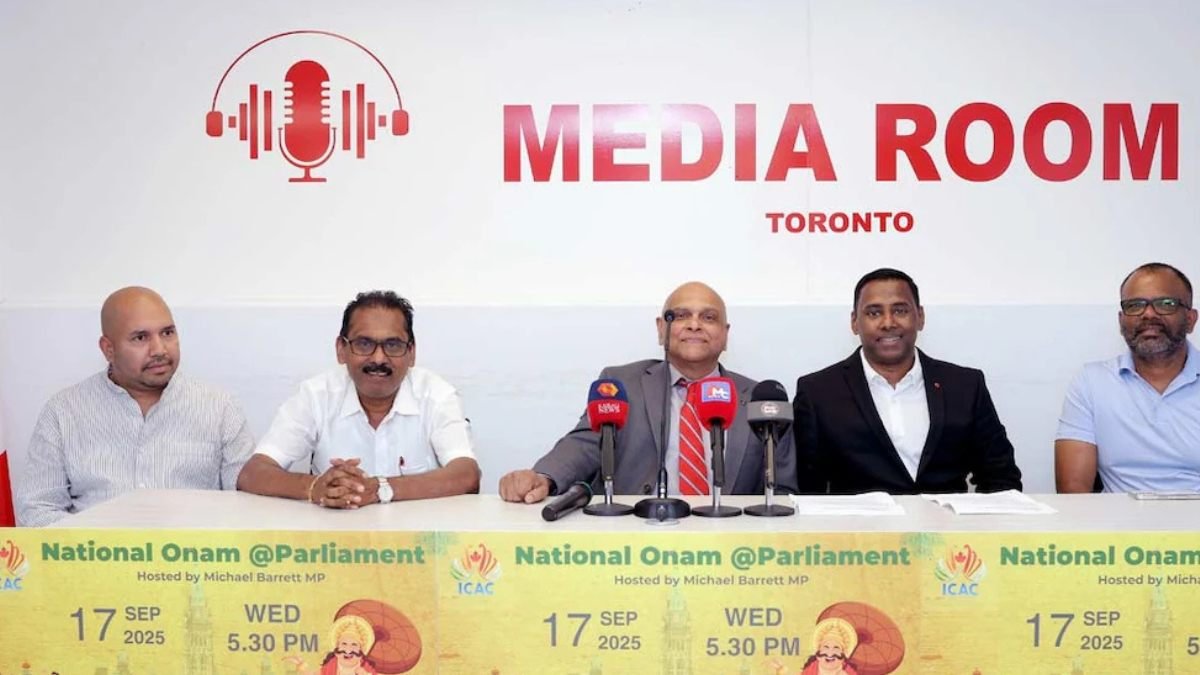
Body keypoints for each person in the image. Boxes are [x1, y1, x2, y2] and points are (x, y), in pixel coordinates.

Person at [498, 281, 796, 503]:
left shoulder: (760, 398)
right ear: (660, 329)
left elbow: (783, 490)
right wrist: (545, 477)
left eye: (708, 317)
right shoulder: (621, 382)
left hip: (731, 545)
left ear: (726, 334)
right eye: (680, 316)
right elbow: (586, 443)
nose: (694, 325)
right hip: (636, 537)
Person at [16, 287, 254, 526]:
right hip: (95, 559)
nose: (159, 349)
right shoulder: (63, 412)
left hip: (192, 560)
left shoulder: (220, 408)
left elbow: (248, 506)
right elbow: (38, 509)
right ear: (108, 349)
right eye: (141, 338)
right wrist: (107, 551)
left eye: (167, 333)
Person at [237, 291, 480, 508]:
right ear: (341, 350)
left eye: (393, 345)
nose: (378, 358)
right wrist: (315, 487)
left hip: (419, 546)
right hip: (332, 544)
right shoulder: (316, 395)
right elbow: (253, 473)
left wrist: (381, 488)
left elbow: (466, 475)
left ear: (412, 352)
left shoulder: (436, 395)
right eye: (364, 344)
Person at [792, 268, 1022, 494]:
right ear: (854, 322)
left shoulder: (965, 386)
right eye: (874, 313)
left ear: (920, 317)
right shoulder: (817, 393)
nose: (888, 322)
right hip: (860, 531)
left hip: (946, 529)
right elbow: (808, 492)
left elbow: (1002, 478)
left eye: (900, 311)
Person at [1056, 262, 1200, 493]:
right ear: (1122, 320)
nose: (1149, 314)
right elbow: (1074, 492)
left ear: (1191, 319)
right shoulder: (1092, 382)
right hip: (1117, 527)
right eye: (1135, 305)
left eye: (1166, 304)